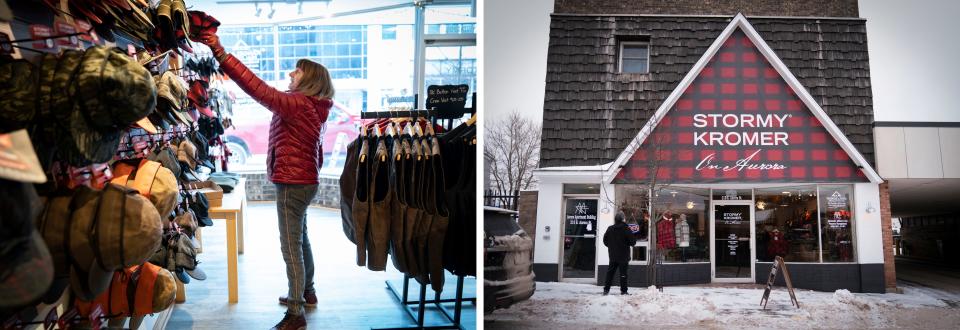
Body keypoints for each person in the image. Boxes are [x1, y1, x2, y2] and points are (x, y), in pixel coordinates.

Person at [193, 22, 334, 330]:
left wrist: (220, 52)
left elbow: (256, 87)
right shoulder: (313, 107)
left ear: (309, 79)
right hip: (305, 181)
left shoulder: (297, 104)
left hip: (293, 183)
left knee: (290, 246)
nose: (290, 75)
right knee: (301, 238)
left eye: (296, 72)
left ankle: (295, 313)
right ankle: (307, 292)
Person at [603, 212, 637, 295]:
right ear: (623, 219)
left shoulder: (610, 228)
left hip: (613, 255)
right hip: (623, 256)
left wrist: (611, 247)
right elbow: (633, 242)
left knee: (610, 273)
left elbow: (605, 240)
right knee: (623, 274)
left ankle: (606, 290)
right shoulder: (626, 229)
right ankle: (624, 291)